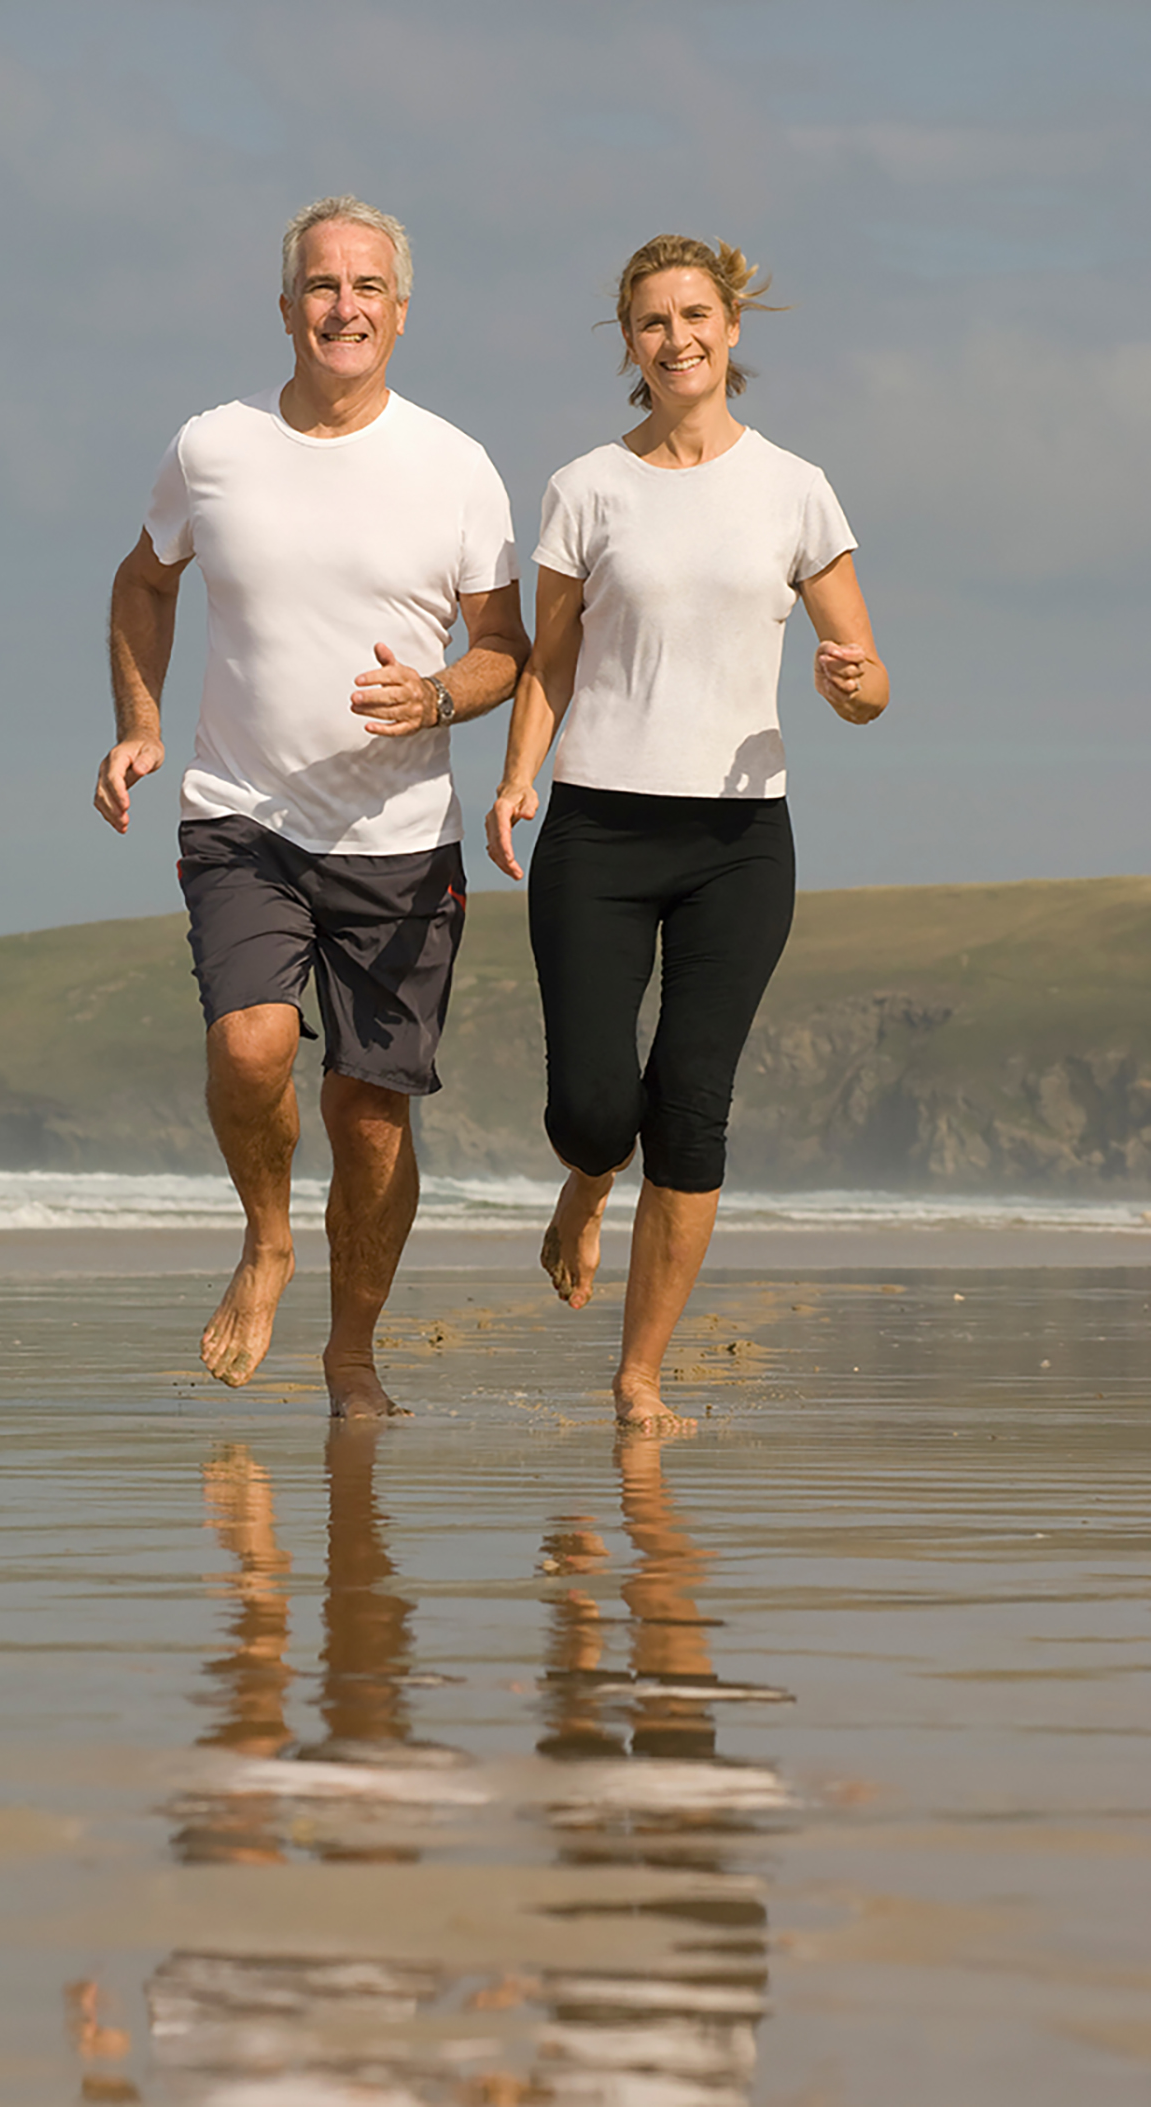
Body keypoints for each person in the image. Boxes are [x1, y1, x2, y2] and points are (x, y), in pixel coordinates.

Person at [96, 196, 527, 1416]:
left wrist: (441, 694)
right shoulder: (212, 446)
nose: (345, 307)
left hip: (397, 839)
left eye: (368, 288)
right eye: (323, 286)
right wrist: (140, 724)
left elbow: (506, 644)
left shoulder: (454, 467)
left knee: (371, 1117)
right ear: (286, 307)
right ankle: (266, 1236)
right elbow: (143, 580)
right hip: (240, 812)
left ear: (401, 313)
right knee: (251, 1041)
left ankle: (351, 1352)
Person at [487, 234, 888, 1427]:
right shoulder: (582, 488)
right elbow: (548, 661)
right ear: (628, 343)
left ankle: (637, 1374)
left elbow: (867, 682)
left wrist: (849, 682)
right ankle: (583, 1181)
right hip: (598, 827)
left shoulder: (794, 487)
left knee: (692, 1101)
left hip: (738, 838)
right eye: (653, 321)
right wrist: (516, 782)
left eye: (696, 314)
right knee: (594, 1108)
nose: (678, 338)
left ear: (731, 328)